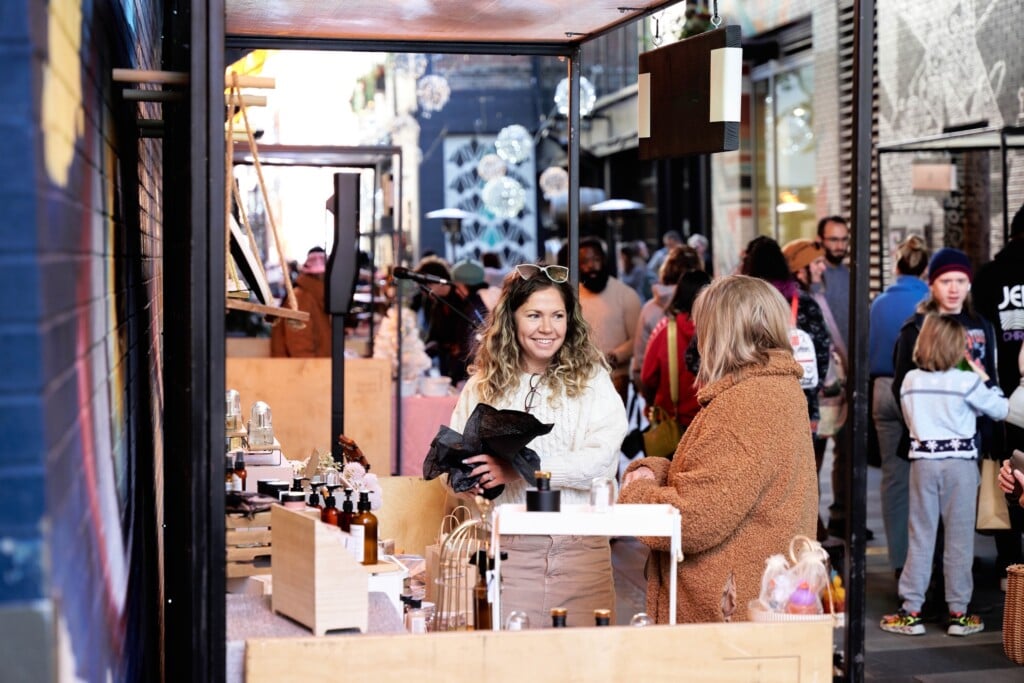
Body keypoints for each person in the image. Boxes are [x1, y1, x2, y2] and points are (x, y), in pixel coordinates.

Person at [619, 275, 819, 623]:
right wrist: (660, 471)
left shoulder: (746, 403)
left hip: (725, 610)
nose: (698, 339)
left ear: (722, 331)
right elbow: (721, 482)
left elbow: (695, 520)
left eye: (704, 327)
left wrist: (638, 490)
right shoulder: (774, 389)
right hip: (754, 597)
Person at [449, 262, 627, 628]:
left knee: (584, 665)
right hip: (510, 553)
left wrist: (520, 467)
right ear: (511, 320)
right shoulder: (483, 385)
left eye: (557, 315)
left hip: (583, 551)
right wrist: (468, 479)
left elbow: (600, 462)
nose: (547, 328)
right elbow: (453, 465)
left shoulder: (593, 381)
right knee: (512, 665)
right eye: (534, 315)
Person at [880, 314, 1013, 637]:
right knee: (958, 539)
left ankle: (911, 610)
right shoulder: (966, 381)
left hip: (923, 463)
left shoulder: (911, 380)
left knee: (921, 536)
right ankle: (958, 612)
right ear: (957, 347)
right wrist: (979, 372)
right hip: (960, 466)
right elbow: (1001, 409)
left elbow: (910, 421)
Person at [868, 236, 930, 577]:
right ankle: (925, 560)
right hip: (919, 391)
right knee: (926, 476)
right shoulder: (927, 301)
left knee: (894, 478)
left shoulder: (878, 303)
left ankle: (898, 560)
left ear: (898, 265)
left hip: (882, 390)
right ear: (925, 268)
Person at [974, 202, 1024, 587]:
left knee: (1007, 475)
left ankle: (1011, 564)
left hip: (1001, 396)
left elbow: (980, 335)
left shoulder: (989, 276)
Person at [742, 236, 830, 431]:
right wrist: (813, 393)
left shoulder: (741, 307)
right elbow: (822, 354)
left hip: (752, 407)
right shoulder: (805, 304)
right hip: (800, 404)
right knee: (800, 459)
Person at [564, 237, 642, 405]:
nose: (591, 266)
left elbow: (638, 339)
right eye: (584, 261)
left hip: (615, 379)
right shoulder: (570, 297)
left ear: (604, 260)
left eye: (596, 259)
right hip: (578, 380)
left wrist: (614, 357)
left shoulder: (626, 295)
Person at [815, 216, 854, 537]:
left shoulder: (852, 275)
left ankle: (841, 512)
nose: (839, 246)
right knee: (816, 449)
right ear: (820, 240)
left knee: (846, 447)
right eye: (833, 240)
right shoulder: (815, 277)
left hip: (851, 373)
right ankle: (812, 518)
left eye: (843, 239)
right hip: (824, 379)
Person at [639, 270, 711, 433]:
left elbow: (647, 377)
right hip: (711, 422)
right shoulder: (721, 331)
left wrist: (650, 404)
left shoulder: (665, 330)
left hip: (673, 424)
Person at [413, 256, 487, 384]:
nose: (423, 292)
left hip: (466, 370)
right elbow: (434, 335)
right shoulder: (436, 302)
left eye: (423, 287)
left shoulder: (467, 300)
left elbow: (469, 338)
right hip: (447, 365)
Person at [270, 246, 331, 357]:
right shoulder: (301, 298)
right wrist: (315, 373)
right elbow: (300, 348)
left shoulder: (315, 296)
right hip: (300, 371)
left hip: (313, 370)